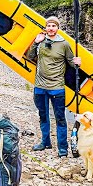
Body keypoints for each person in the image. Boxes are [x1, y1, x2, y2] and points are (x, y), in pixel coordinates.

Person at [26, 16, 81, 157]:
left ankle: (63, 148)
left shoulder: (64, 44)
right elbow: (29, 57)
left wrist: (77, 62)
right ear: (46, 27)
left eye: (53, 26)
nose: (51, 28)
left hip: (57, 87)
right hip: (40, 86)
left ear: (58, 28)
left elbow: (71, 63)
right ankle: (45, 142)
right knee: (43, 116)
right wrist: (35, 42)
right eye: (49, 25)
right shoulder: (40, 41)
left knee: (60, 118)